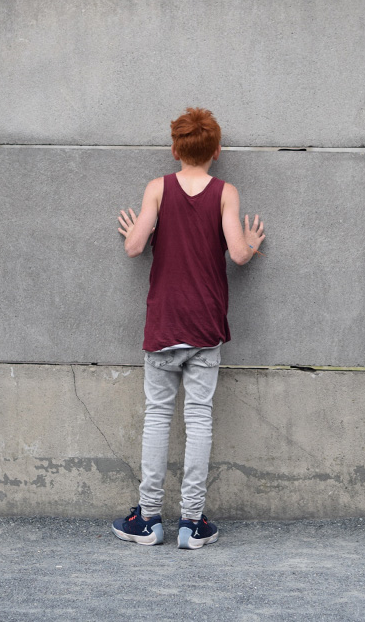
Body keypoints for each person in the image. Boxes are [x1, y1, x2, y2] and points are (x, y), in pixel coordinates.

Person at [113, 107, 265, 549]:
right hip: (205, 325)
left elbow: (134, 246)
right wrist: (252, 243)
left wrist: (135, 229)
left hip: (164, 323)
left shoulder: (157, 189)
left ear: (174, 148)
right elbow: (237, 254)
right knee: (199, 419)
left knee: (158, 417)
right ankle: (193, 523)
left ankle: (148, 519)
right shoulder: (225, 192)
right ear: (216, 151)